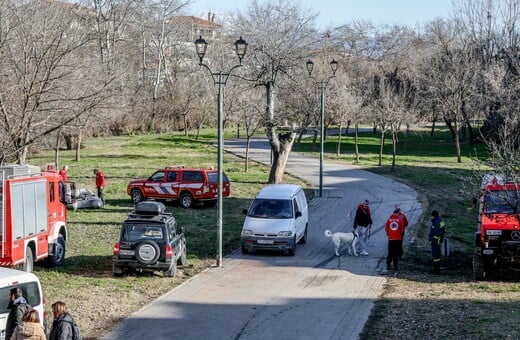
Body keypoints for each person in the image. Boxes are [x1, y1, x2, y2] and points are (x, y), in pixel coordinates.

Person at [385, 206, 407, 271]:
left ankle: (388, 265)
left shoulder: (389, 220)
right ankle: (395, 266)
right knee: (396, 253)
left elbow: (386, 229)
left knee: (390, 252)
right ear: (397, 213)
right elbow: (402, 230)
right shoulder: (400, 220)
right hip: (397, 238)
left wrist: (390, 234)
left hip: (391, 239)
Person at [429, 210, 445, 274]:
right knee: (437, 256)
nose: (431, 217)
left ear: (433, 216)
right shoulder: (440, 221)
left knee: (435, 255)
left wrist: (433, 239)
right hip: (438, 241)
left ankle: (436, 270)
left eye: (431, 216)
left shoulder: (436, 222)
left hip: (435, 241)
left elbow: (437, 232)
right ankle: (436, 270)